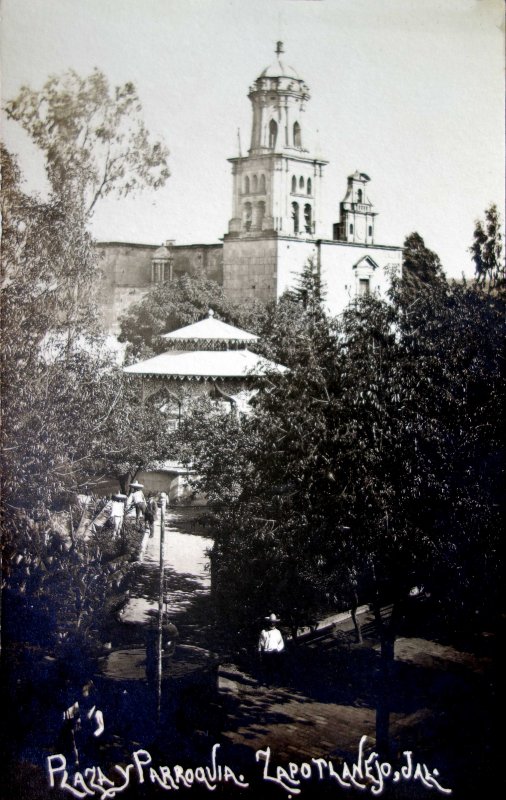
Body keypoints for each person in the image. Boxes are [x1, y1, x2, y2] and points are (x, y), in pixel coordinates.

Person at [258, 613, 285, 683]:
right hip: (266, 652)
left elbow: (281, 643)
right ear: (268, 622)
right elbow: (260, 642)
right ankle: (266, 682)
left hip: (274, 652)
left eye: (273, 622)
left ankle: (272, 683)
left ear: (275, 623)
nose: (272, 624)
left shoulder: (277, 632)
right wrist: (260, 651)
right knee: (266, 668)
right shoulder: (264, 631)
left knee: (274, 668)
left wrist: (278, 649)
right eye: (271, 622)